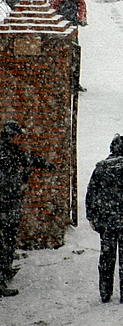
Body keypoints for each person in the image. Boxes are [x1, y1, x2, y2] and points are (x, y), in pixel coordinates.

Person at [85, 134, 123, 304]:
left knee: (106, 256)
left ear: (111, 150)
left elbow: (91, 194)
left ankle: (105, 293)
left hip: (107, 221)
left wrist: (91, 216)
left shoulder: (100, 170)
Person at [0, 120, 54, 297]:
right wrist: (22, 177)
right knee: (4, 241)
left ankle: (5, 271)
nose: (19, 139)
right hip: (5, 204)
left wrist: (44, 164)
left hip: (9, 203)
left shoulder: (9, 150)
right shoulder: (5, 153)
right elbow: (7, 180)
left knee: (8, 238)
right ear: (11, 136)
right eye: (17, 136)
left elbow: (27, 158)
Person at [50, 0, 87, 92]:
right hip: (61, 28)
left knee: (75, 55)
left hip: (72, 27)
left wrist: (82, 18)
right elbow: (53, 8)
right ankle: (61, 80)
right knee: (62, 54)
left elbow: (82, 6)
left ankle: (75, 81)